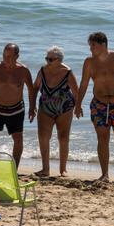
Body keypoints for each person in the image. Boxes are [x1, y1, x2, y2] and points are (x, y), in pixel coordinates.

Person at [75, 32, 114, 181]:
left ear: (103, 44)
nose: (91, 49)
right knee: (102, 138)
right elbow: (83, 84)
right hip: (99, 104)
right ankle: (105, 174)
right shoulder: (89, 62)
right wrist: (78, 104)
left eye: (93, 45)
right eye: (90, 46)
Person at [0, 43, 35, 168]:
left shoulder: (23, 70)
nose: (6, 59)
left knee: (18, 138)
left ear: (17, 56)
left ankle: (14, 168)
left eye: (10, 56)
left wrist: (32, 108)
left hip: (16, 109)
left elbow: (31, 90)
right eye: (5, 56)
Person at [32, 45, 78, 177]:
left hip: (64, 108)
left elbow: (76, 91)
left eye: (51, 59)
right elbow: (35, 88)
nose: (48, 62)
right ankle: (45, 169)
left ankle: (63, 169)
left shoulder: (67, 72)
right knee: (43, 137)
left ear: (59, 60)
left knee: (63, 137)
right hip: (45, 107)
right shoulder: (42, 71)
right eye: (47, 59)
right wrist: (32, 106)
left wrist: (78, 107)